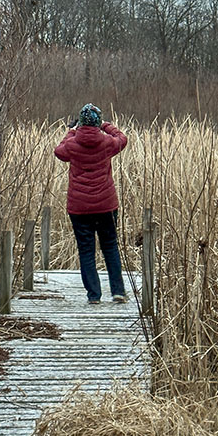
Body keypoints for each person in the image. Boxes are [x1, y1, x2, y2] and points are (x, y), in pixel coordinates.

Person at [54, 103, 129, 305]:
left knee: (86, 250)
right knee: (110, 246)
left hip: (79, 207)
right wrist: (106, 126)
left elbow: (59, 151)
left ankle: (94, 296)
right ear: (98, 123)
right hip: (106, 205)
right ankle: (118, 291)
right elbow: (122, 139)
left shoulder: (71, 145)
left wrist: (71, 131)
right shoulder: (107, 143)